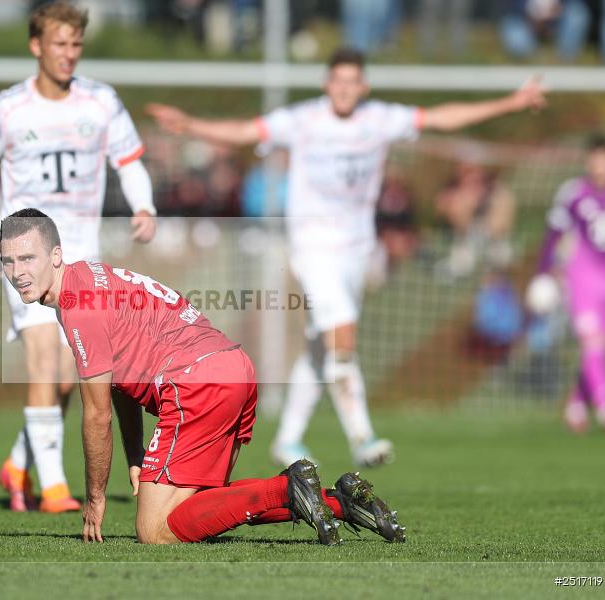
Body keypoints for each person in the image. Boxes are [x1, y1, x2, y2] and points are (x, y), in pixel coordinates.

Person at [147, 47, 547, 468]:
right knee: (343, 335)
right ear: (326, 84)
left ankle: (287, 439)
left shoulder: (379, 119)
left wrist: (511, 102)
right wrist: (190, 125)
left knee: (323, 349)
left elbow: (442, 118)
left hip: (357, 250)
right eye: (337, 81)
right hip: (312, 247)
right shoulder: (303, 120)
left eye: (351, 82)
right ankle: (363, 437)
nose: (343, 89)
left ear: (363, 86)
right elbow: (246, 131)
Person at [0, 207, 406, 545]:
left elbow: (96, 416)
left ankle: (288, 486)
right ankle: (342, 502)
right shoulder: (90, 276)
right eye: (8, 260)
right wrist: (136, 455)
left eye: (27, 258)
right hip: (234, 369)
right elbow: (121, 379)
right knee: (206, 511)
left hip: (195, 382)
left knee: (155, 531)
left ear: (55, 255)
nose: (17, 272)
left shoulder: (77, 306)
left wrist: (95, 497)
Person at [0, 2, 157, 513]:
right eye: (59, 44)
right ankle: (53, 488)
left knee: (73, 375)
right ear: (36, 46)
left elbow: (130, 160)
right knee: (44, 359)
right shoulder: (9, 108)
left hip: (79, 258)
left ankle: (19, 463)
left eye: (76, 45)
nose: (68, 54)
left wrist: (144, 205)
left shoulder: (101, 102)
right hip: (25, 252)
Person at [532, 134, 605, 433]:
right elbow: (554, 232)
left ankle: (576, 404)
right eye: (595, 158)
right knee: (592, 341)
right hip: (582, 277)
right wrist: (542, 272)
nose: (600, 165)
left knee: (602, 346)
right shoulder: (574, 192)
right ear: (588, 161)